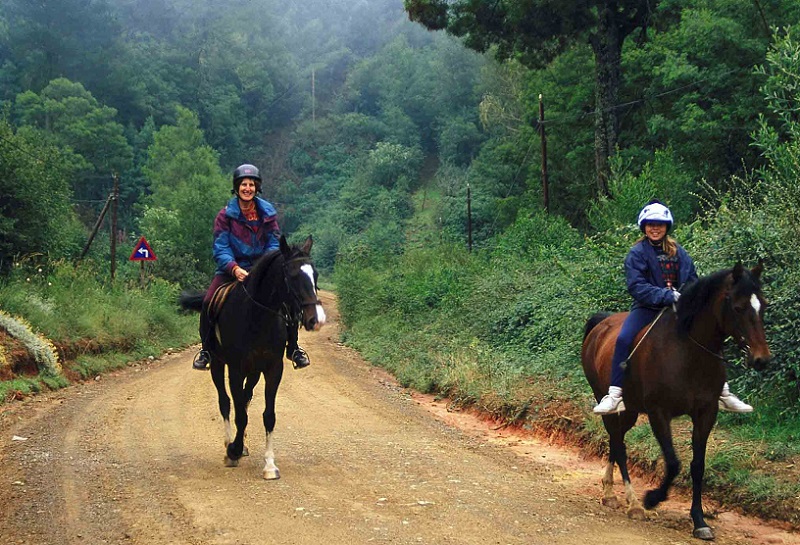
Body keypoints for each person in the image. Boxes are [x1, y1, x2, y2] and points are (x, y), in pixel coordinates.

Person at [593, 200, 753, 415]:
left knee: (708, 333)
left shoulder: (679, 252)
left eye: (659, 224)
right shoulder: (637, 253)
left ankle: (724, 392)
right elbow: (637, 285)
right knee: (623, 338)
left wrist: (684, 295)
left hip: (679, 308)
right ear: (644, 227)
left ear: (667, 227)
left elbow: (692, 280)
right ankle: (614, 394)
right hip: (647, 308)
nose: (655, 228)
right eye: (651, 224)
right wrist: (666, 295)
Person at [192, 163, 310, 371]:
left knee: (288, 299)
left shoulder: (268, 213)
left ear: (257, 188)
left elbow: (274, 242)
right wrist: (234, 268)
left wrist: (263, 265)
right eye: (243, 184)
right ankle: (206, 349)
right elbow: (221, 246)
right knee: (209, 301)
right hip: (232, 270)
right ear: (236, 187)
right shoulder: (225, 215)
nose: (248, 188)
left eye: (251, 184)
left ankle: (293, 347)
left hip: (261, 269)